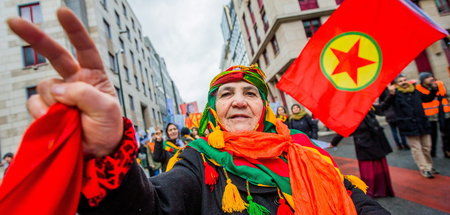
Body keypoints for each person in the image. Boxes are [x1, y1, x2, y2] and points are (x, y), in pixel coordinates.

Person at [9, 9, 389, 214]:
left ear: (264, 108)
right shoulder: (197, 161)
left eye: (249, 94)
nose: (239, 100)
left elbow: (363, 208)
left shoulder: (309, 156)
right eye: (226, 94)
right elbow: (150, 207)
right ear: (213, 112)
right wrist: (110, 154)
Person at [330, 106, 394, 198]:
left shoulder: (364, 108)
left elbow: (347, 128)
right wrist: (334, 142)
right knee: (374, 167)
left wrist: (334, 142)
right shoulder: (363, 107)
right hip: (369, 142)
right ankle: (378, 190)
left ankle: (374, 191)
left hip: (368, 142)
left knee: (371, 168)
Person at [383, 74, 438, 178]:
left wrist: (434, 89)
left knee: (427, 147)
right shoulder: (394, 94)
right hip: (408, 125)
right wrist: (390, 94)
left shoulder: (415, 91)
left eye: (404, 80)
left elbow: (427, 99)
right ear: (395, 84)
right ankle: (424, 168)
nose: (403, 82)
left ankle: (429, 166)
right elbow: (384, 106)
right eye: (400, 81)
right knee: (416, 148)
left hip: (422, 123)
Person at [416, 72, 450, 158]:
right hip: (430, 114)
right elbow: (427, 99)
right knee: (432, 135)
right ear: (423, 81)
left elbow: (446, 94)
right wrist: (434, 90)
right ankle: (431, 152)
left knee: (447, 132)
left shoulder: (439, 84)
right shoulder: (419, 88)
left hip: (444, 111)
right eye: (428, 77)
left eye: (431, 76)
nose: (431, 78)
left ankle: (447, 150)